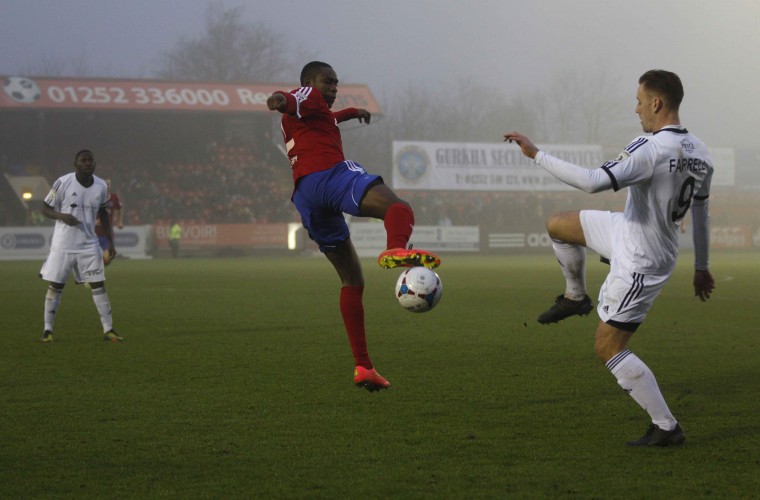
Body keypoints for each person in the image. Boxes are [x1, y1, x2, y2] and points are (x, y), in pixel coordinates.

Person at [504, 69, 714, 446]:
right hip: (629, 230)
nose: (636, 109)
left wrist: (536, 154)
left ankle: (666, 427)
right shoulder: (701, 152)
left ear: (656, 102)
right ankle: (575, 296)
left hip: (641, 259)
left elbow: (591, 181)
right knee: (558, 224)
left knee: (608, 347)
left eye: (638, 101)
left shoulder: (650, 147)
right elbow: (701, 211)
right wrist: (701, 266)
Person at [267, 61, 441, 392]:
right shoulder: (307, 96)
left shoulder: (314, 116)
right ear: (309, 82)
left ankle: (363, 367)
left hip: (305, 195)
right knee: (399, 208)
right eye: (327, 82)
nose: (333, 88)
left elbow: (328, 117)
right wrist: (278, 99)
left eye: (336, 83)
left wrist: (352, 112)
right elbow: (291, 98)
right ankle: (396, 249)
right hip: (329, 177)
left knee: (351, 280)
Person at [38, 150, 124, 343]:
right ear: (75, 164)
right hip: (63, 244)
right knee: (56, 285)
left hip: (89, 244)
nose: (87, 164)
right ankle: (47, 330)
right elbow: (45, 208)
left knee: (99, 284)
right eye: (83, 161)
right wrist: (63, 216)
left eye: (90, 160)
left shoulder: (101, 186)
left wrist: (111, 243)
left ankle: (108, 329)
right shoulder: (63, 182)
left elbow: (104, 215)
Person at [95, 178, 124, 265]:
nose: (107, 186)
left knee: (108, 259)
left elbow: (120, 209)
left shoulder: (114, 197)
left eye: (109, 184)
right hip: (93, 233)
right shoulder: (94, 197)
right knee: (89, 258)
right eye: (105, 184)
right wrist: (94, 221)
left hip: (107, 234)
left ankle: (97, 270)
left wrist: (120, 221)